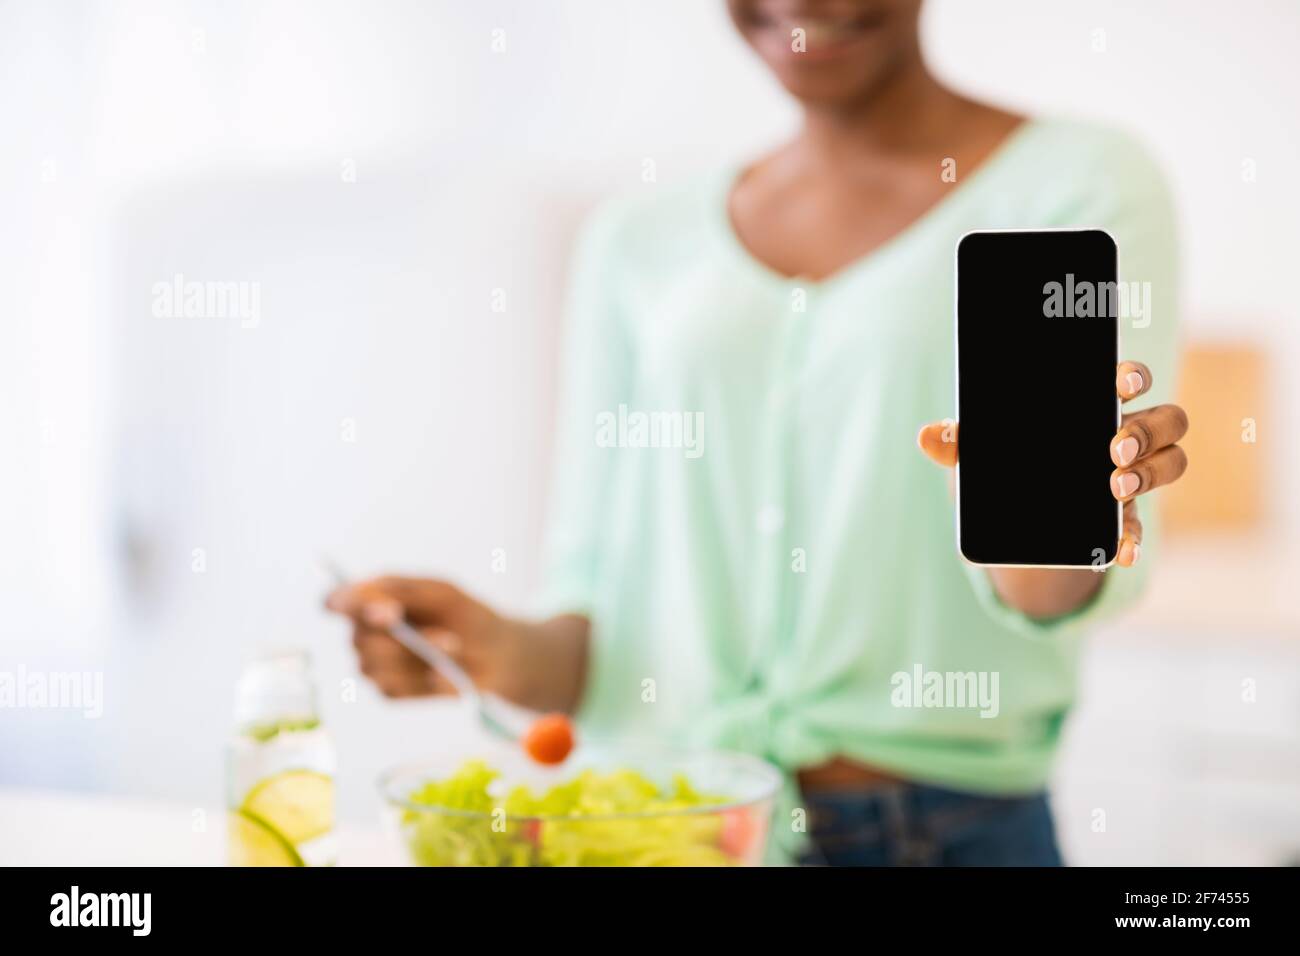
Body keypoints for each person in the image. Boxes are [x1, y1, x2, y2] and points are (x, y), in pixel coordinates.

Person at [326, 0, 1189, 865]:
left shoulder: (1083, 181)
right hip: (678, 832)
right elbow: (587, 627)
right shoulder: (634, 242)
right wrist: (494, 651)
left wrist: (1048, 520)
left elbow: (1052, 588)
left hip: (946, 833)